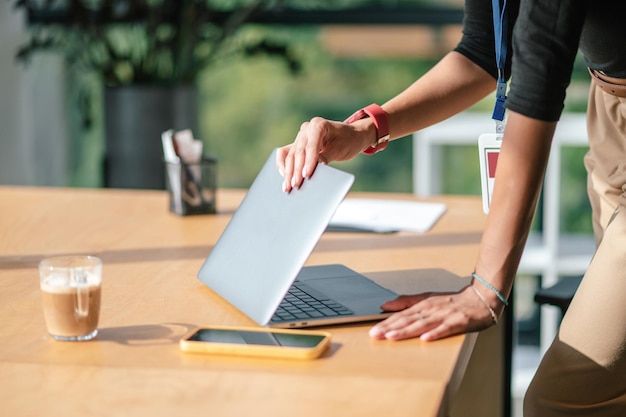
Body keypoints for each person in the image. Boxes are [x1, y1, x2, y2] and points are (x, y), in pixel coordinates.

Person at [275, 1, 626, 416]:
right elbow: (484, 52)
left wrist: (486, 290)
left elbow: (540, 77)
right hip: (611, 113)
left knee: (561, 400)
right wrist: (365, 128)